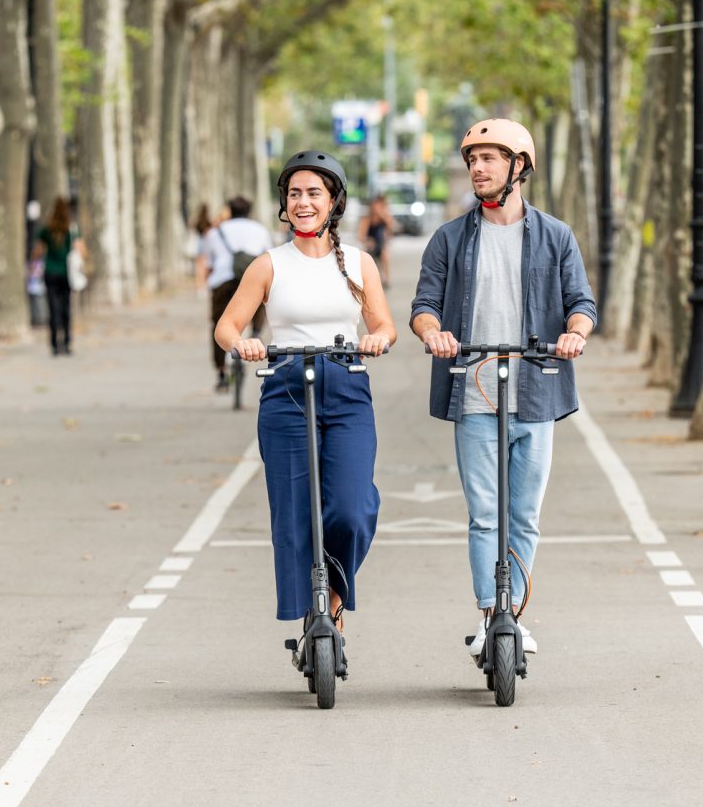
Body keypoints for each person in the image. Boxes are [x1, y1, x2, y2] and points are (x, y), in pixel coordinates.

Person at [410, 118, 596, 657]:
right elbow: (424, 305)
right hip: (473, 391)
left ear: (518, 167)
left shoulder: (556, 236)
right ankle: (490, 614)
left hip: (537, 391)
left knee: (525, 516)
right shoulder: (449, 238)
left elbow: (581, 302)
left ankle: (514, 613)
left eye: (489, 158)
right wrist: (436, 334)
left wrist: (574, 335)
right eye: (472, 159)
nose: (478, 168)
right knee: (485, 514)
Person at [214, 150, 396, 635]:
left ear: (333, 200)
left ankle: (334, 599)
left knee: (351, 507)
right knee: (294, 513)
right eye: (294, 194)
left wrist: (377, 337)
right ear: (284, 203)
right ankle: (312, 615)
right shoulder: (268, 265)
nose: (303, 202)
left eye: (314, 193)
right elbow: (227, 327)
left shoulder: (359, 263)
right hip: (286, 387)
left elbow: (383, 323)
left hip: (346, 385)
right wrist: (244, 343)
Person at [202, 196, 272, 392]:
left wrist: (208, 284)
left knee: (219, 324)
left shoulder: (216, 232)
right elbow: (269, 257)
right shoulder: (259, 230)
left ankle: (222, 374)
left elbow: (209, 263)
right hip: (251, 277)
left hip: (223, 281)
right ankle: (257, 331)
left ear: (230, 211)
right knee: (261, 302)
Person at [31, 197, 87, 356]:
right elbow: (82, 250)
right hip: (66, 273)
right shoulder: (72, 229)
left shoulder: (47, 229)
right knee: (66, 307)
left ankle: (55, 343)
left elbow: (37, 251)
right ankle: (67, 342)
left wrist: (34, 265)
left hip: (50, 272)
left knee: (53, 308)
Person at [358, 193, 396, 287]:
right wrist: (367, 241)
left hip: (381, 244)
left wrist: (383, 216)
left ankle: (386, 278)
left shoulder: (385, 217)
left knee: (385, 254)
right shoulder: (367, 219)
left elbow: (392, 229)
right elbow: (361, 236)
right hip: (371, 244)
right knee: (364, 256)